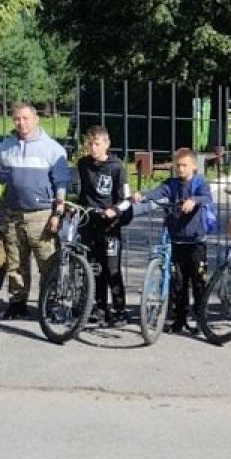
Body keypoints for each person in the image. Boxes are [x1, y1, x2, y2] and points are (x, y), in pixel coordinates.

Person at [0, 101, 72, 319]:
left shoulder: (53, 149)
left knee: (47, 262)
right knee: (16, 263)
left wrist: (58, 213)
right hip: (13, 214)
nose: (21, 123)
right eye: (17, 119)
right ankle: (18, 303)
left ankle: (52, 304)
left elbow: (61, 184)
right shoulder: (7, 146)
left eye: (25, 118)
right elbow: (0, 174)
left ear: (36, 119)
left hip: (41, 215)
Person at [132, 148, 214, 334]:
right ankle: (178, 320)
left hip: (196, 242)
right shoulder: (172, 184)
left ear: (194, 166)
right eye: (177, 165)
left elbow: (206, 197)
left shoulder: (200, 184)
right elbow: (158, 191)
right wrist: (143, 195)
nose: (180, 169)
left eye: (184, 165)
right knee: (178, 283)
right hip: (177, 241)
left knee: (198, 282)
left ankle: (201, 320)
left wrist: (193, 200)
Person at [76, 126, 132, 325]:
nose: (93, 148)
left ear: (106, 144)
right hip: (89, 223)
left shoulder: (116, 167)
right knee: (94, 267)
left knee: (111, 269)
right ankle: (99, 308)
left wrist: (114, 210)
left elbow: (127, 199)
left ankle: (120, 309)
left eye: (97, 144)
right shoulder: (83, 164)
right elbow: (80, 192)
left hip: (109, 225)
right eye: (89, 144)